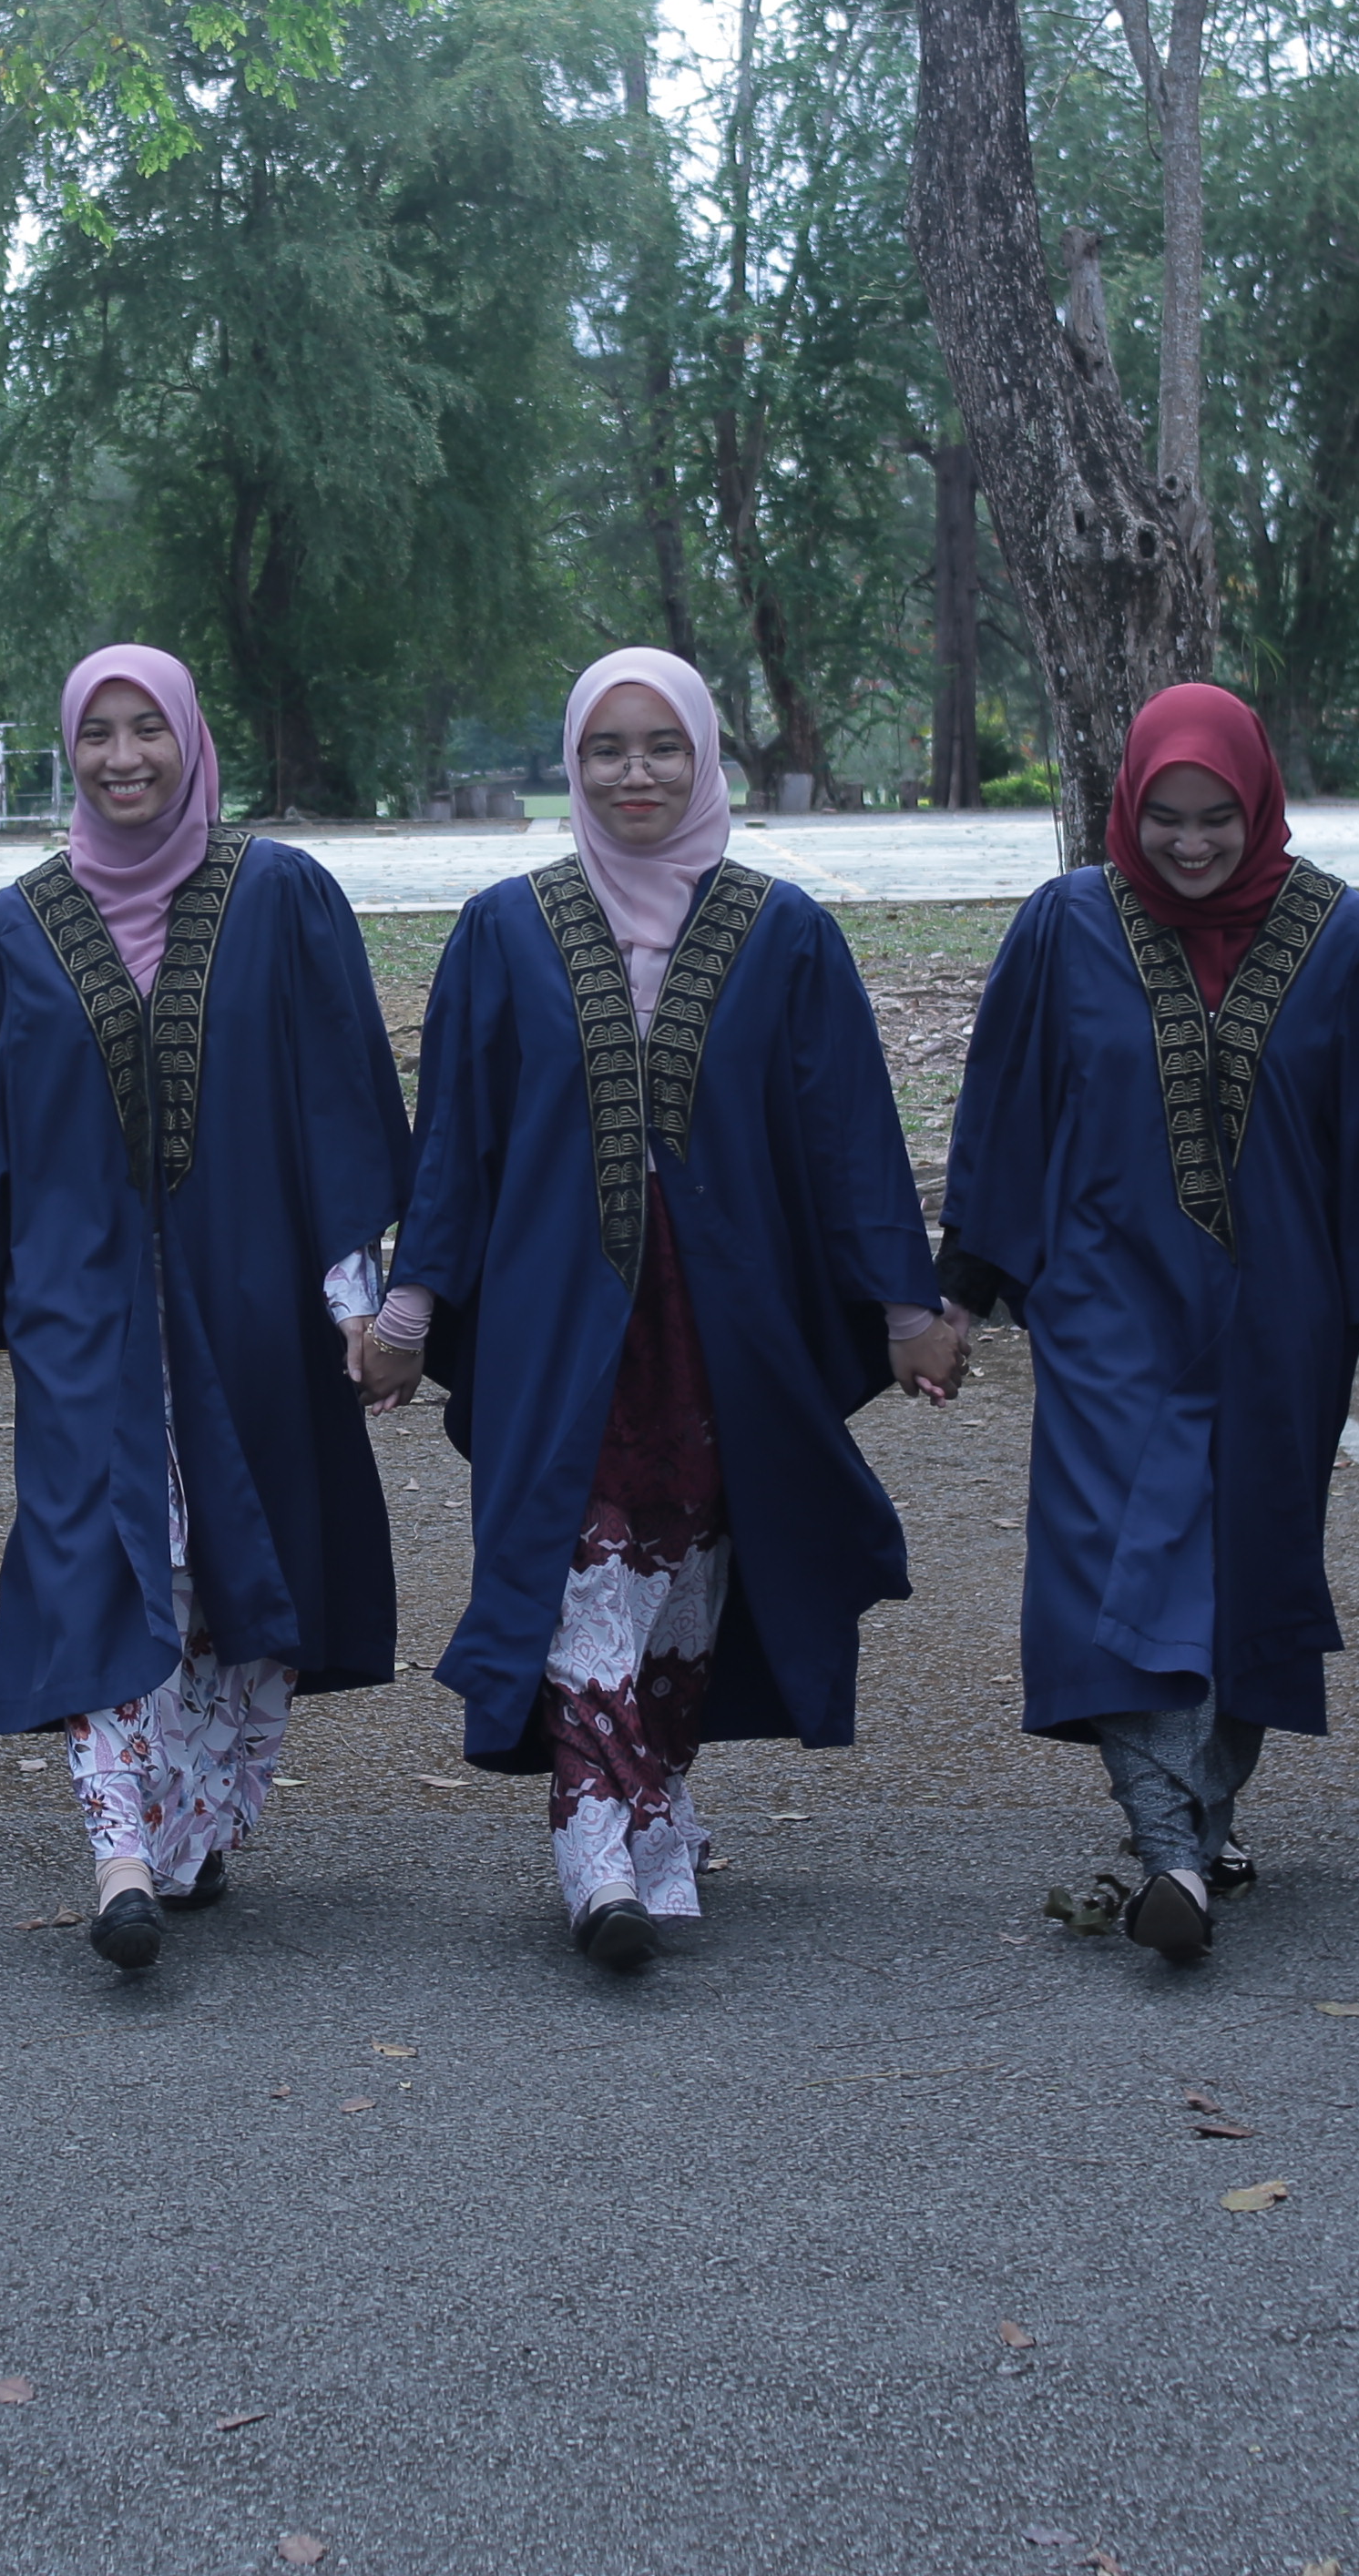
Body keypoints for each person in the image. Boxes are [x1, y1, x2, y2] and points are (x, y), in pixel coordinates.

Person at [367, 648, 960, 1970]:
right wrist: (410, 1311)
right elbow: (455, 1142)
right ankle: (595, 1854)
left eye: (662, 748)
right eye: (606, 750)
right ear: (571, 765)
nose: (634, 773)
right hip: (551, 1325)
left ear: (703, 758)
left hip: (724, 1327)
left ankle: (657, 1802)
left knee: (686, 1575)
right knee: (580, 1569)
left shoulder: (785, 932)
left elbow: (851, 1137)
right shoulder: (503, 928)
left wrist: (904, 1302)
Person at [936, 684, 1359, 1968]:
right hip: (1106, 1301)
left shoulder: (1346, 940)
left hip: (1282, 1311)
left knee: (1246, 1561)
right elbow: (1005, 1113)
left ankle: (1202, 1825)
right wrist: (959, 1289)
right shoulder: (1065, 927)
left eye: (1216, 819)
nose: (1190, 844)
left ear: (1260, 806)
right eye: (1166, 818)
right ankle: (1167, 1846)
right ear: (1128, 804)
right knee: (1114, 1560)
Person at [0, 647, 412, 1971]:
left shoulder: (281, 896)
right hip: (81, 1316)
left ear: (191, 739)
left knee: (237, 1567)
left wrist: (355, 1290)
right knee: (100, 1561)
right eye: (97, 733)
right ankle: (120, 1857)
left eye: (148, 730)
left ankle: (191, 1828)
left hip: (251, 1307)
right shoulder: (13, 931)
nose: (122, 757)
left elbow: (338, 1098)